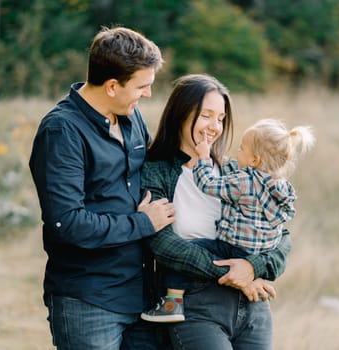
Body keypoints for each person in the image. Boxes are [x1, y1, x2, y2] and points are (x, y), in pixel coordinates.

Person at [28, 26, 176, 350]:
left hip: (141, 295)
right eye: (142, 86)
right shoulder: (61, 131)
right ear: (112, 86)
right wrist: (143, 222)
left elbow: (153, 176)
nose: (148, 94)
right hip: (88, 300)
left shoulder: (132, 117)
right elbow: (67, 223)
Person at [138, 73, 293, 349]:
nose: (215, 126)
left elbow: (281, 235)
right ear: (182, 113)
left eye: (221, 118)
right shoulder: (157, 171)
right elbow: (162, 244)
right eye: (206, 115)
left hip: (253, 309)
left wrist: (251, 267)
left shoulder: (236, 172)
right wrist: (237, 277)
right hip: (197, 309)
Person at [141, 118, 314, 323]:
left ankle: (173, 303)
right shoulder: (282, 187)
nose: (236, 152)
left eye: (241, 149)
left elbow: (207, 184)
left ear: (255, 160)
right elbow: (280, 228)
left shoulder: (242, 180)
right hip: (259, 251)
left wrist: (204, 157)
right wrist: (253, 268)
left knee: (190, 250)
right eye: (206, 116)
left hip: (234, 248)